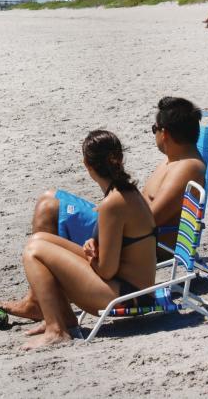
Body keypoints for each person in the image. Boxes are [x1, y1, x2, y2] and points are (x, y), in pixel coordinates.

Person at [0, 97, 205, 320]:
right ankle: (39, 301)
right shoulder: (174, 161)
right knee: (48, 202)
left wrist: (108, 213)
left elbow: (148, 219)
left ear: (164, 133)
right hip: (124, 226)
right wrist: (109, 210)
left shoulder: (187, 167)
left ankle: (38, 303)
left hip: (133, 239)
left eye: (154, 128)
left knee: (48, 206)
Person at [19, 130, 157, 349]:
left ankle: (57, 331)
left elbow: (106, 271)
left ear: (87, 165)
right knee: (40, 238)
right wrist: (93, 245)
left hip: (126, 296)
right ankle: (64, 320)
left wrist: (90, 257)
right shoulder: (127, 192)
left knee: (33, 251)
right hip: (134, 288)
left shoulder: (114, 203)